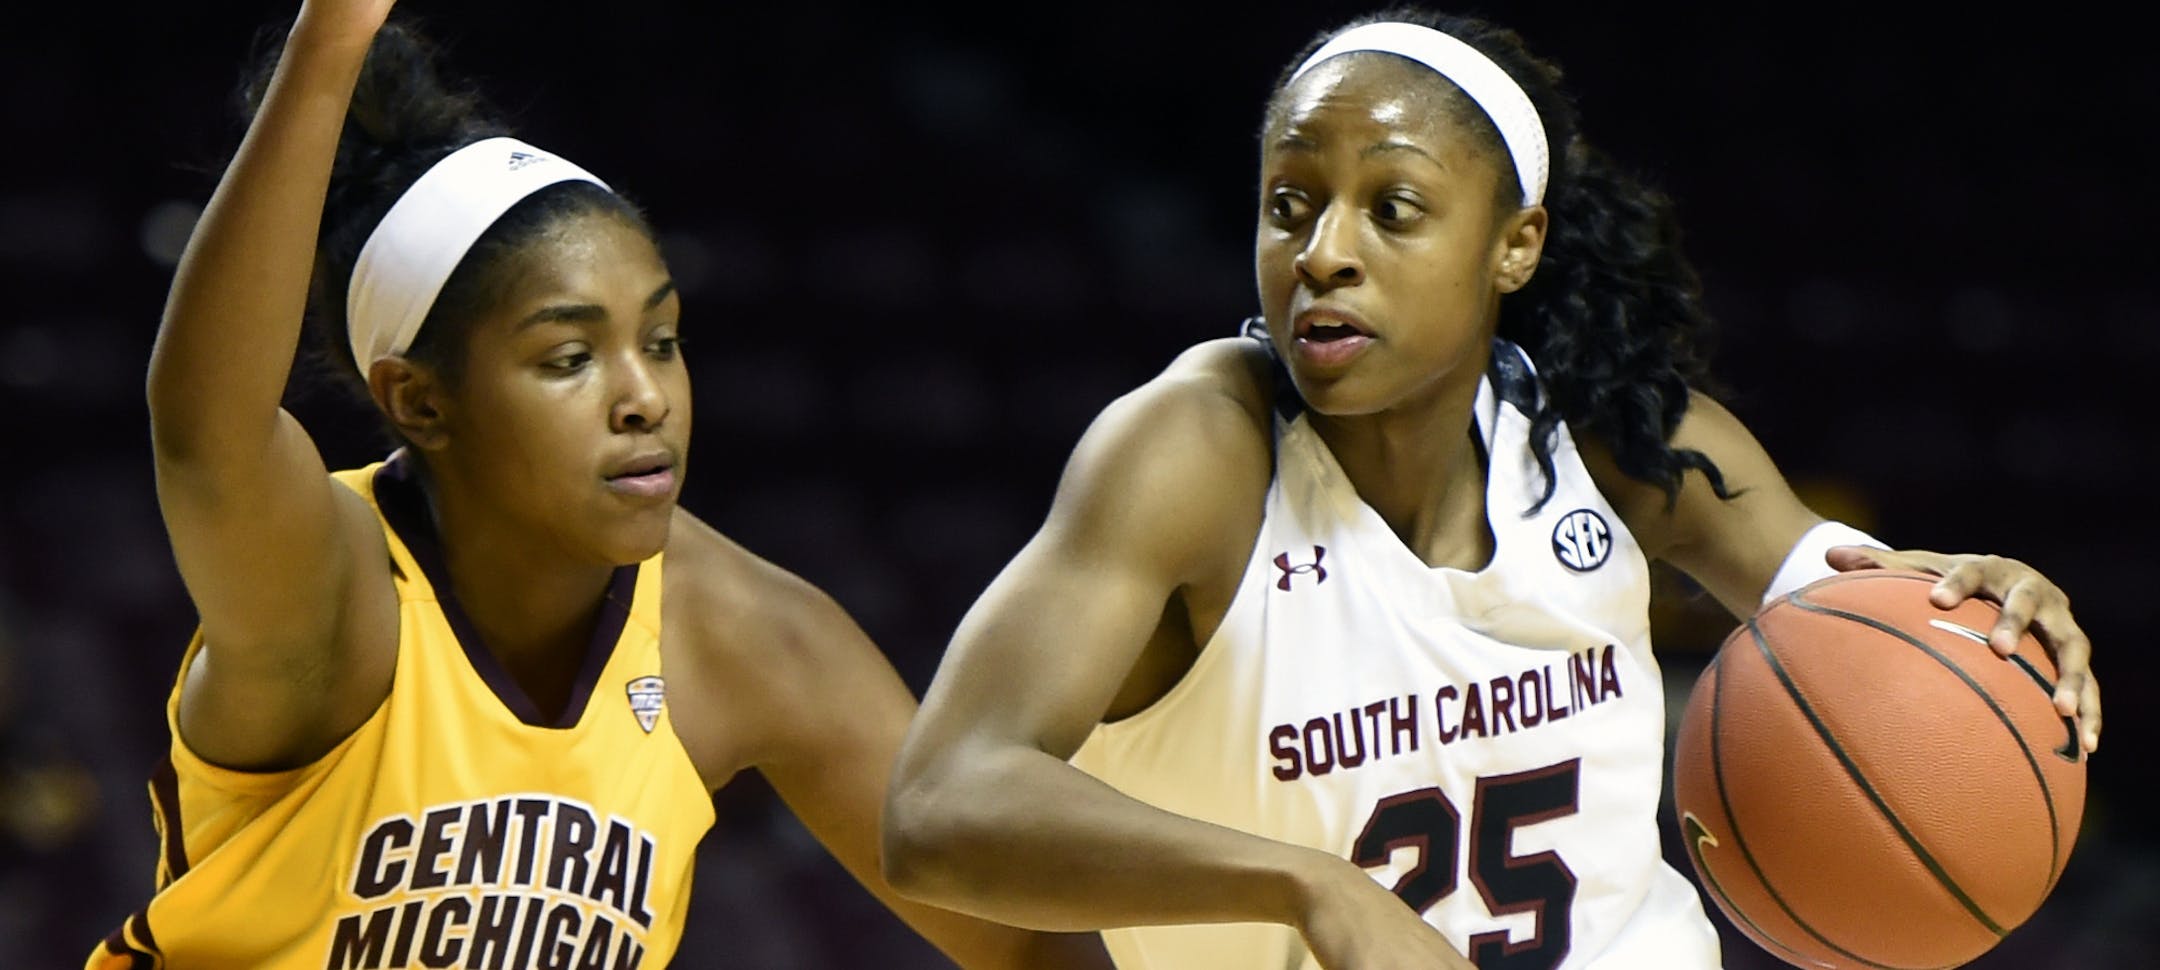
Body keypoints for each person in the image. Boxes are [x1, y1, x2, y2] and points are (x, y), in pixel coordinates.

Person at [880, 7, 2103, 970]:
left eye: (1393, 208)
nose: (1324, 252)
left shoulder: (1620, 432)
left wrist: (1972, 606)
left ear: (1513, 243)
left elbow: (1852, 616)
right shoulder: (1195, 454)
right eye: (1289, 205)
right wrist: (1309, 883)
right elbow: (937, 808)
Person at [93, 2, 1114, 968]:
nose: (644, 397)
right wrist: (329, 47)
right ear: (419, 402)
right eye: (568, 357)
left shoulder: (739, 631)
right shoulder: (337, 594)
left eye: (661, 341)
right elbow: (205, 434)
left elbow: (1022, 935)